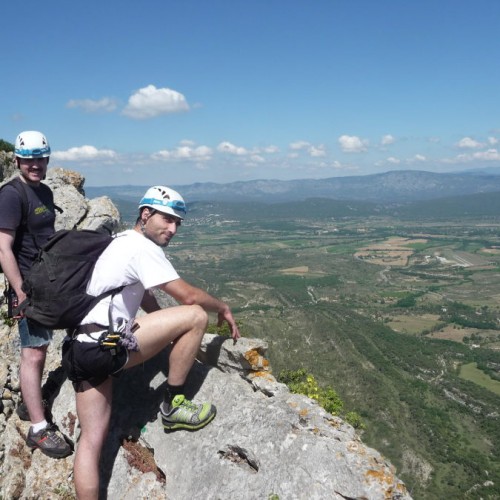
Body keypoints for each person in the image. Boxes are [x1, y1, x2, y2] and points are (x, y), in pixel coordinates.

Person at [62, 185, 240, 499]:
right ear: (146, 214)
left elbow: (142, 292)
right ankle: (173, 407)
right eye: (167, 219)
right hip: (107, 347)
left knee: (90, 441)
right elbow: (188, 298)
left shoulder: (117, 241)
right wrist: (222, 307)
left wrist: (165, 326)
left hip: (81, 347)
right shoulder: (143, 248)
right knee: (197, 315)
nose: (173, 229)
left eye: (178, 223)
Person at [0, 131, 71, 458]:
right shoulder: (12, 195)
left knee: (42, 347)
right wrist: (20, 293)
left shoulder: (42, 191)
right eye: (28, 159)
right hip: (29, 287)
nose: (35, 164)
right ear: (17, 161)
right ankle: (38, 429)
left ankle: (31, 405)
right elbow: (3, 248)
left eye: (40, 158)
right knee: (34, 353)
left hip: (48, 282)